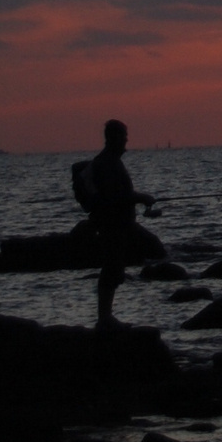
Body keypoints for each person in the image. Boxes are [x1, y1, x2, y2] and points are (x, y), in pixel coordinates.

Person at [89, 119, 154, 331]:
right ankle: (105, 317)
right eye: (123, 136)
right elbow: (117, 196)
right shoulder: (108, 163)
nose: (127, 140)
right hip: (113, 225)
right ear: (114, 138)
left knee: (114, 269)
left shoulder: (110, 162)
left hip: (117, 224)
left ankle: (106, 316)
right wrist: (142, 197)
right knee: (112, 269)